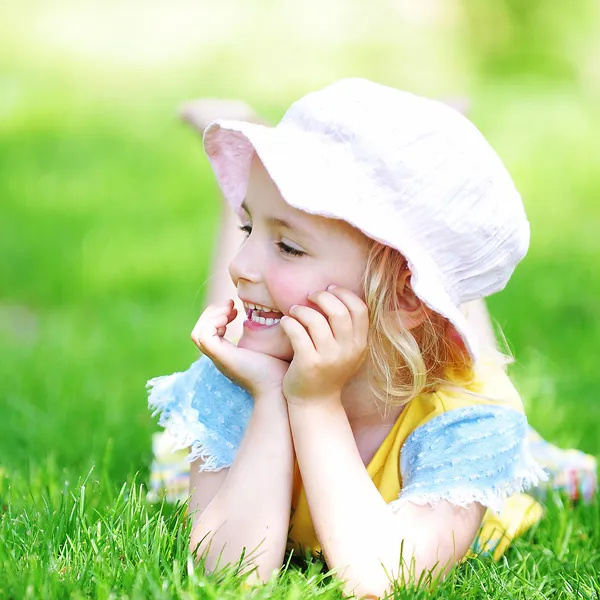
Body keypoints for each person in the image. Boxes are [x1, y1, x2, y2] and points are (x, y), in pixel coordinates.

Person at [147, 79, 595, 597]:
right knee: (253, 305)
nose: (239, 265)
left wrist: (314, 404)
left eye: (289, 246)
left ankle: (437, 152)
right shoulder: (239, 381)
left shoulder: (468, 424)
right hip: (386, 335)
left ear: (402, 297)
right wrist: (271, 397)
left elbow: (382, 578)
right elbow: (227, 573)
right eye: (248, 229)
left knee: (470, 343)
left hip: (423, 387)